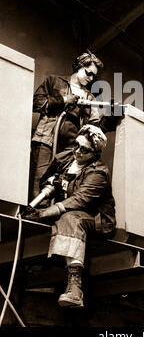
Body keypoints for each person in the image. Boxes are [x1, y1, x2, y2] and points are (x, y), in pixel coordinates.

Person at [24, 124, 116, 308]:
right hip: (67, 211)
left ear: (94, 153)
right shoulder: (68, 158)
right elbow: (48, 178)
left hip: (96, 218)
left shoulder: (98, 172)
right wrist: (51, 184)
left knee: (70, 218)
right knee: (54, 219)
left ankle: (75, 288)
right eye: (77, 145)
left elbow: (80, 200)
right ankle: (46, 263)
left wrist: (49, 211)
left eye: (85, 150)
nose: (78, 152)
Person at [30, 50, 104, 201]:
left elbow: (94, 123)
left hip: (70, 149)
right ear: (79, 66)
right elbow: (36, 103)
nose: (90, 78)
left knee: (58, 188)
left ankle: (50, 220)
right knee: (40, 183)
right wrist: (64, 100)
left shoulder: (90, 97)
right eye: (88, 73)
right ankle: (34, 217)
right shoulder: (54, 81)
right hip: (46, 141)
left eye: (93, 76)